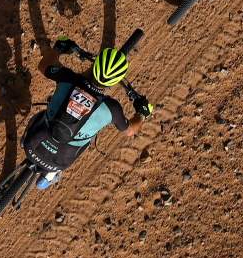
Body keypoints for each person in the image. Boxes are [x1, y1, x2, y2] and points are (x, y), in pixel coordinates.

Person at [22, 39, 152, 190]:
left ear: (95, 64)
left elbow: (43, 65)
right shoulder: (112, 109)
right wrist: (142, 114)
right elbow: (130, 131)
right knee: (83, 142)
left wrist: (58, 49)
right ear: (114, 81)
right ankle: (49, 175)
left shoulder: (67, 78)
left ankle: (25, 138)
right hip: (59, 162)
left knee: (45, 116)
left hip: (30, 144)